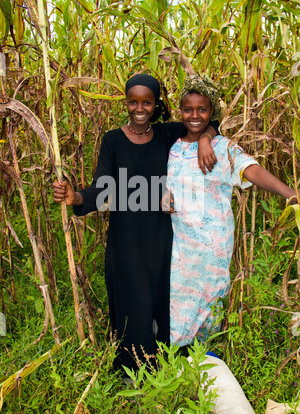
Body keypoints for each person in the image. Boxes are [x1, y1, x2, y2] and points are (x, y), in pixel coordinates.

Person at [52, 73, 220, 376]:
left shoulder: (167, 134)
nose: (139, 108)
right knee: (135, 304)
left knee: (162, 302)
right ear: (126, 103)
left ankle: (166, 369)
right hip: (126, 240)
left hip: (163, 238)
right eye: (133, 101)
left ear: (156, 105)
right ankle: (134, 373)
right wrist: (75, 196)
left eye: (146, 102)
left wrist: (206, 140)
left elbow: (205, 121)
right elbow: (103, 189)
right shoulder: (113, 141)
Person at [165, 74, 299, 348]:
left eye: (202, 110)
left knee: (210, 301)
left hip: (212, 247)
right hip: (179, 246)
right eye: (188, 109)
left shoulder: (221, 147)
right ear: (180, 111)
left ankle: (209, 360)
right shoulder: (172, 147)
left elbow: (250, 169)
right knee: (178, 301)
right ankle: (179, 361)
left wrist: (291, 194)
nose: (194, 115)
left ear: (211, 111)